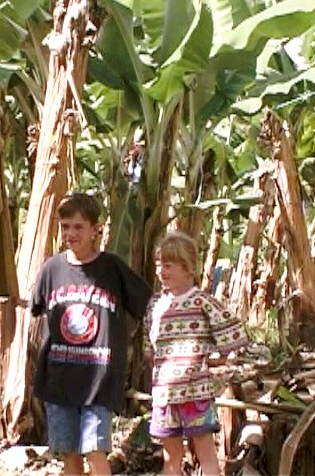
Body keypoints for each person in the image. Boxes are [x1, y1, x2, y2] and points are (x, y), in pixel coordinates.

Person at [29, 193, 152, 475]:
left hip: (99, 379)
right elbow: (36, 308)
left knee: (95, 450)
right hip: (59, 378)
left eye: (78, 227)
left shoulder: (112, 268)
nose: (70, 233)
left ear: (96, 229)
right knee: (69, 453)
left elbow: (148, 305)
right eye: (65, 227)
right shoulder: (52, 269)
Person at [144, 231, 249, 476]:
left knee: (204, 450)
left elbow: (231, 328)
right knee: (171, 454)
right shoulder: (156, 304)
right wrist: (153, 358)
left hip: (195, 390)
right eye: (158, 265)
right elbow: (149, 342)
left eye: (168, 266)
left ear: (188, 268)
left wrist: (219, 356)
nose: (161, 271)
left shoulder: (202, 302)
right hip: (165, 393)